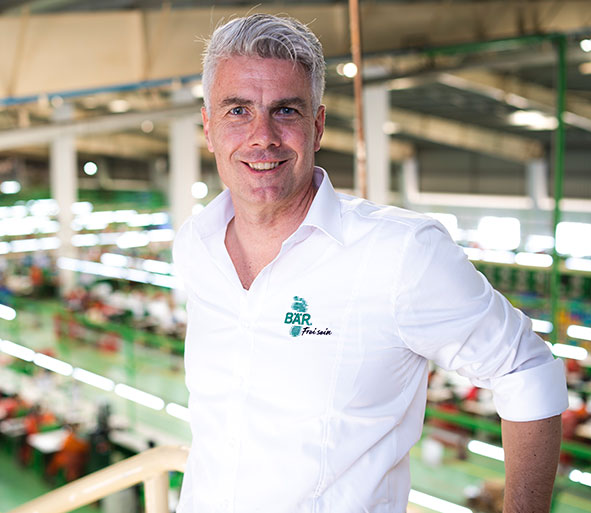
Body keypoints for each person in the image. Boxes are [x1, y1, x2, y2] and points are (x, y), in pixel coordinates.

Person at [172, 14, 568, 513]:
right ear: (208, 127)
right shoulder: (195, 245)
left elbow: (525, 368)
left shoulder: (400, 255)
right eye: (238, 111)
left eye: (286, 111)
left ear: (316, 126)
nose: (262, 136)